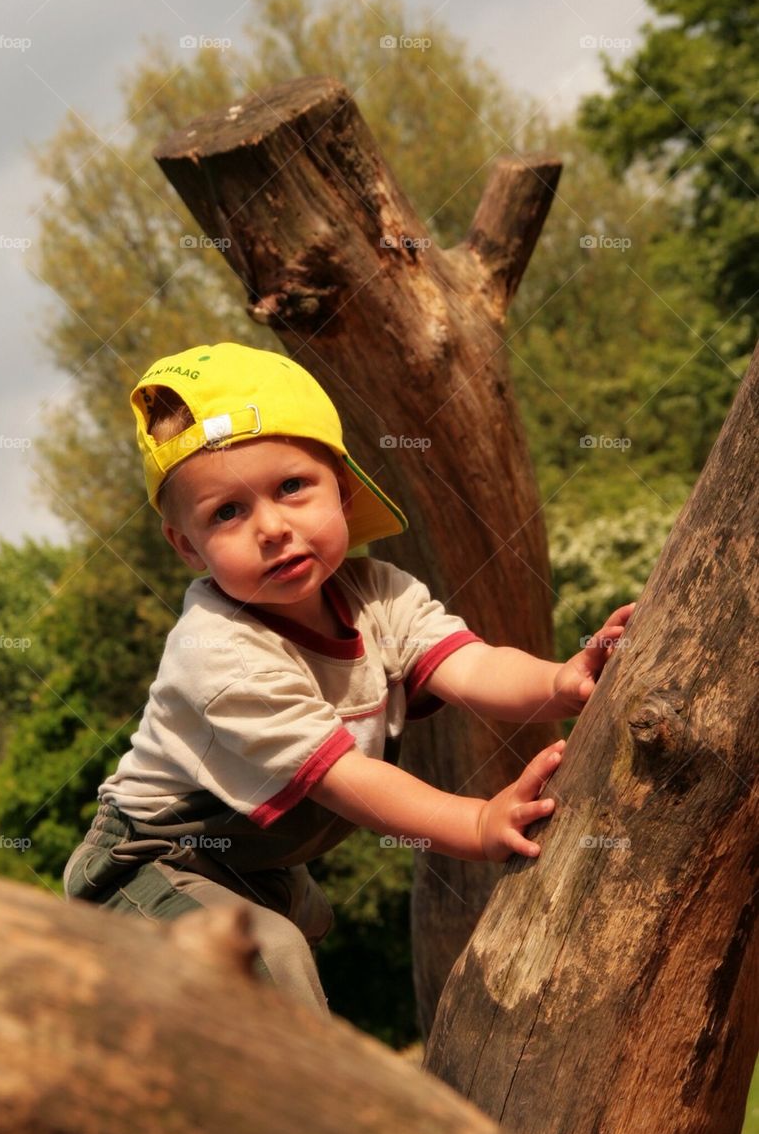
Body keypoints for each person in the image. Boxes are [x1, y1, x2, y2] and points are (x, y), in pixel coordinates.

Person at [63, 341, 634, 1019]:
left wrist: (561, 682)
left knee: (297, 928)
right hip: (147, 863)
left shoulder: (377, 594)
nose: (272, 528)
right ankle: (302, 1119)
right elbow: (352, 784)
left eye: (291, 488)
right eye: (226, 513)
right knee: (266, 956)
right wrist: (475, 820)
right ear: (186, 545)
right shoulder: (218, 653)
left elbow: (471, 665)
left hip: (257, 866)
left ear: (344, 487)